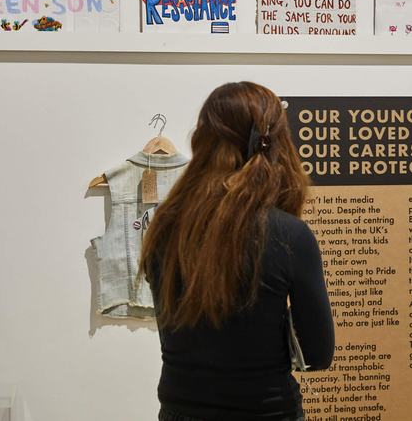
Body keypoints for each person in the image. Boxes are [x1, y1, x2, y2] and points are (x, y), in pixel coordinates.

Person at [140, 81, 335, 421]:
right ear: (274, 143)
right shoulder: (289, 235)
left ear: (202, 138)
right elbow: (318, 355)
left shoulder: (165, 227)